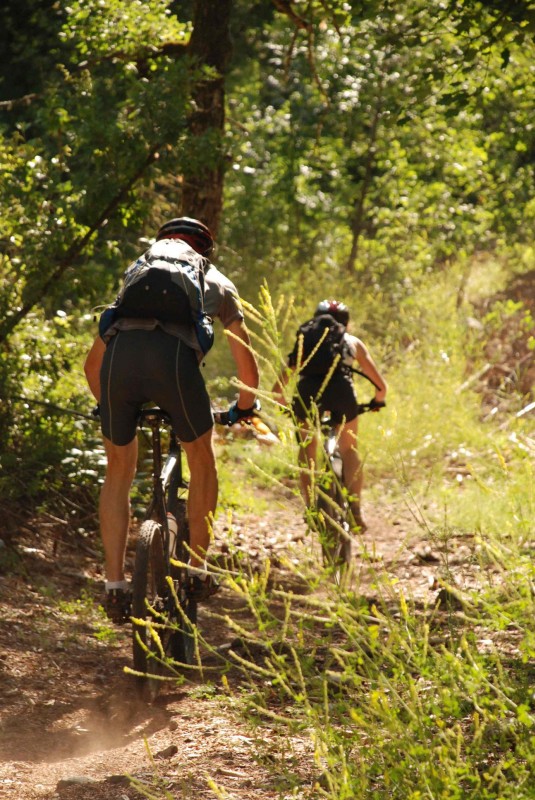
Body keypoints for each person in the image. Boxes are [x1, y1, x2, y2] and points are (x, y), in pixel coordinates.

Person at [84, 217, 259, 624]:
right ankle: (198, 571)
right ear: (205, 249)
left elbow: (93, 365)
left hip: (118, 368)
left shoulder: (137, 271)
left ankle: (113, 585)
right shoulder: (214, 279)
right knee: (202, 459)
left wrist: (109, 404)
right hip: (174, 367)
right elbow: (246, 369)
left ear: (162, 243)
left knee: (118, 470)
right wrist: (245, 407)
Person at [273, 299, 387, 533]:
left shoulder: (306, 339)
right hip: (342, 394)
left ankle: (311, 508)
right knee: (349, 449)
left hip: (307, 395)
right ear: (346, 323)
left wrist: (284, 405)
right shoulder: (352, 342)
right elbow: (380, 386)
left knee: (307, 448)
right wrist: (377, 401)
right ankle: (355, 510)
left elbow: (278, 389)